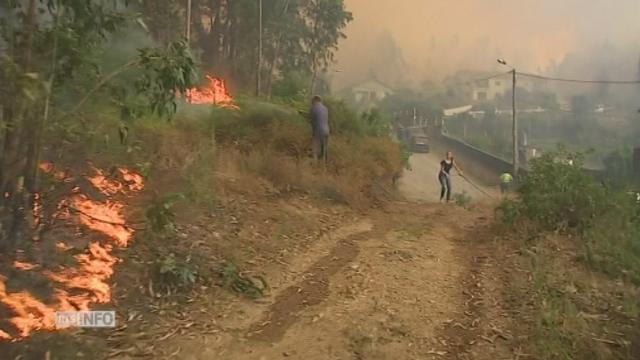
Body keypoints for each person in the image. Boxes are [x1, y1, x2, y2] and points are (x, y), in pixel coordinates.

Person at [309, 95, 330, 164]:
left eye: (312, 101)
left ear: (315, 100)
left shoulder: (313, 108)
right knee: (324, 150)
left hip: (318, 131)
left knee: (315, 149)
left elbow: (312, 121)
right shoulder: (325, 108)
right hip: (326, 131)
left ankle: (315, 166)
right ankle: (324, 166)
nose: (312, 103)